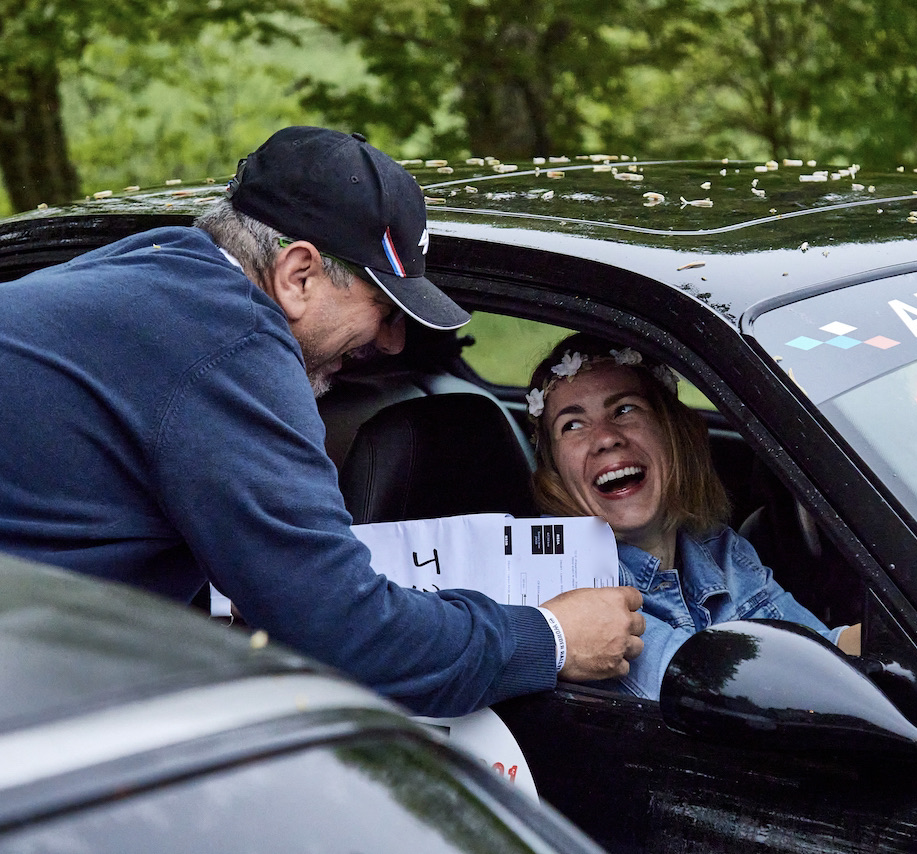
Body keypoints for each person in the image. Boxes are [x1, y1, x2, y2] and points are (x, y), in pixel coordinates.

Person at [0, 127, 644, 717]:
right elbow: (349, 637)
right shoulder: (231, 346)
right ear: (299, 274)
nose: (393, 344)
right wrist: (551, 637)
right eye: (382, 308)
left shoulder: (159, 267)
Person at [525, 333, 860, 699]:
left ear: (672, 432)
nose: (605, 438)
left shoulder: (718, 548)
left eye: (624, 409)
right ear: (555, 471)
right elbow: (707, 692)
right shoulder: (568, 584)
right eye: (572, 425)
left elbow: (825, 651)